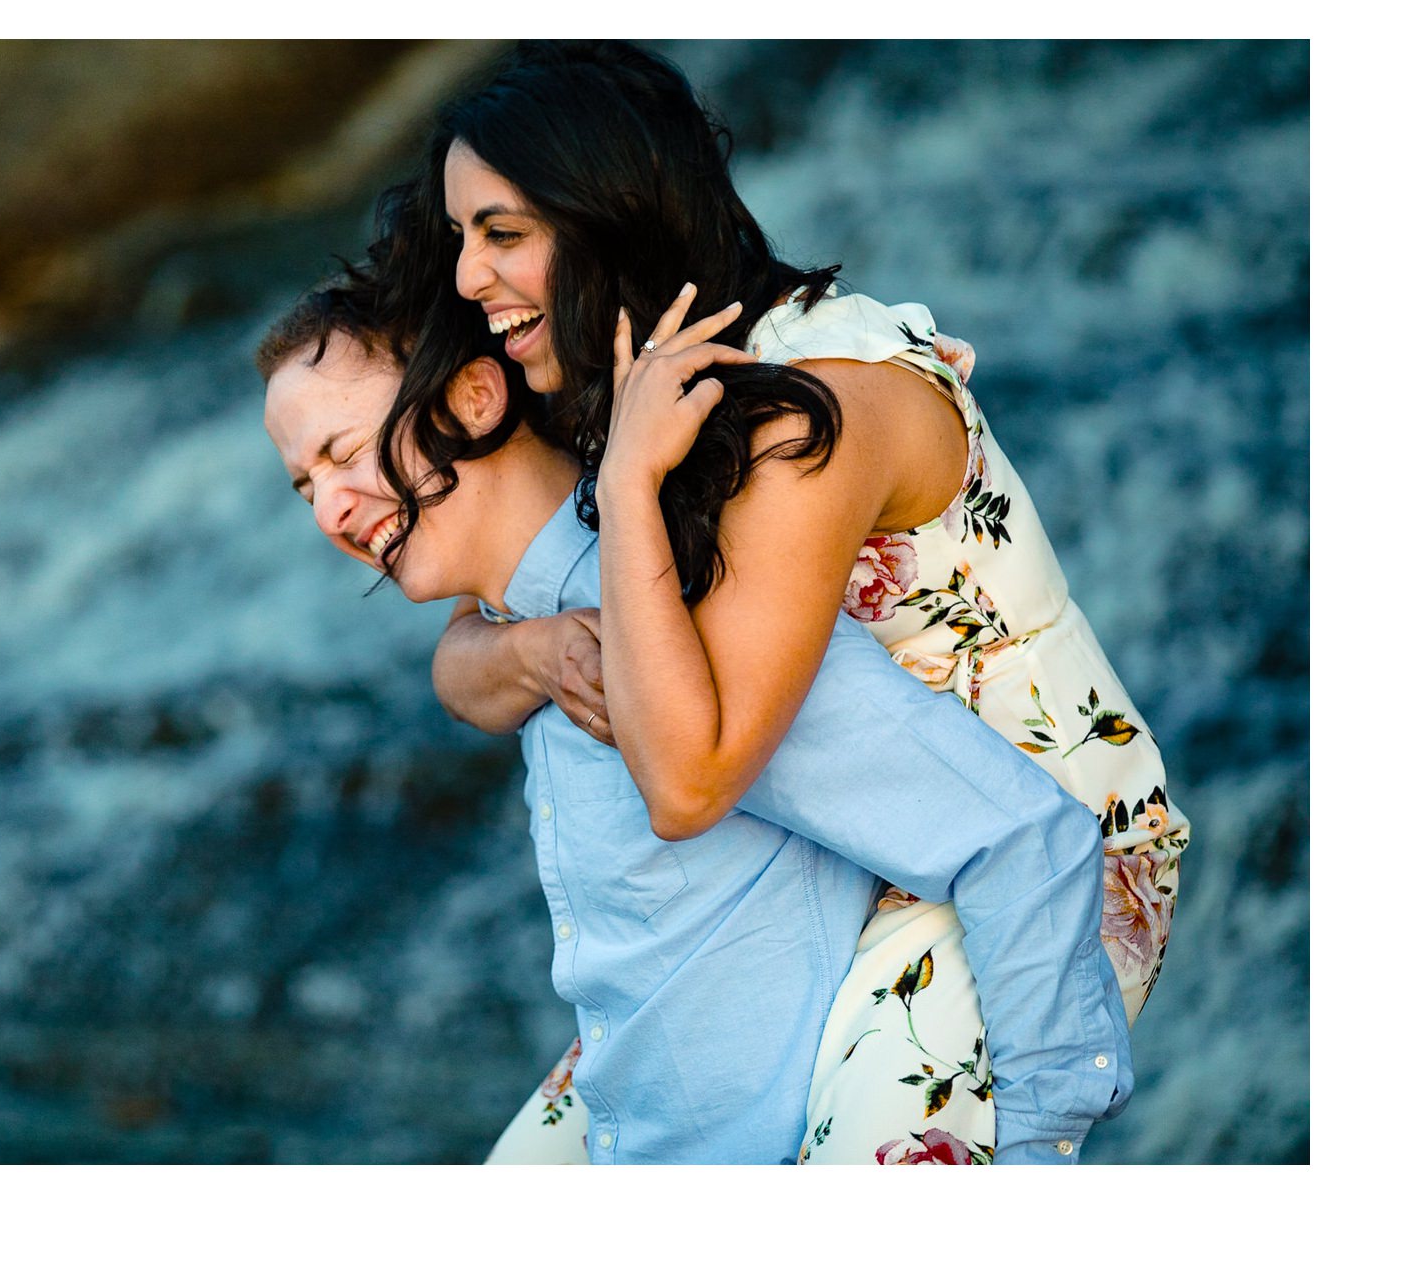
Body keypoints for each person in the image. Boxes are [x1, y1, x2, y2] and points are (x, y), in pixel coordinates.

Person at [405, 41, 1186, 1154]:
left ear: (608, 214)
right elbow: (462, 655)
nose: (468, 280)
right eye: (458, 241)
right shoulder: (630, 390)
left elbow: (687, 783)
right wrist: (538, 654)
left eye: (503, 235)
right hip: (834, 866)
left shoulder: (800, 418)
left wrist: (629, 489)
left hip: (1025, 868)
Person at [256, 260, 1130, 1164]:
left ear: (476, 398)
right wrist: (520, 653)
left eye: (343, 454)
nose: (327, 510)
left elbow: (1023, 837)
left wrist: (1033, 1160)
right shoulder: (537, 631)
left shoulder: (688, 627)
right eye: (301, 485)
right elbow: (465, 666)